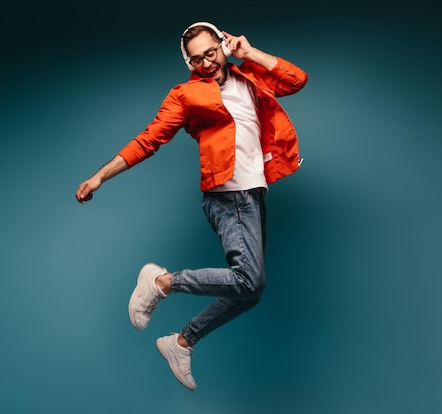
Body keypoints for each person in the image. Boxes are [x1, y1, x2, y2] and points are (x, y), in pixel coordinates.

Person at [75, 21, 308, 390]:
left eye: (211, 53)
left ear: (222, 44)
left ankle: (182, 342)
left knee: (250, 292)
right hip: (228, 196)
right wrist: (100, 176)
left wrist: (249, 53)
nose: (207, 63)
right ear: (189, 62)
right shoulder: (186, 95)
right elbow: (148, 140)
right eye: (197, 59)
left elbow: (296, 80)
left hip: (252, 194)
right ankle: (163, 281)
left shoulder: (251, 77)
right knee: (251, 279)